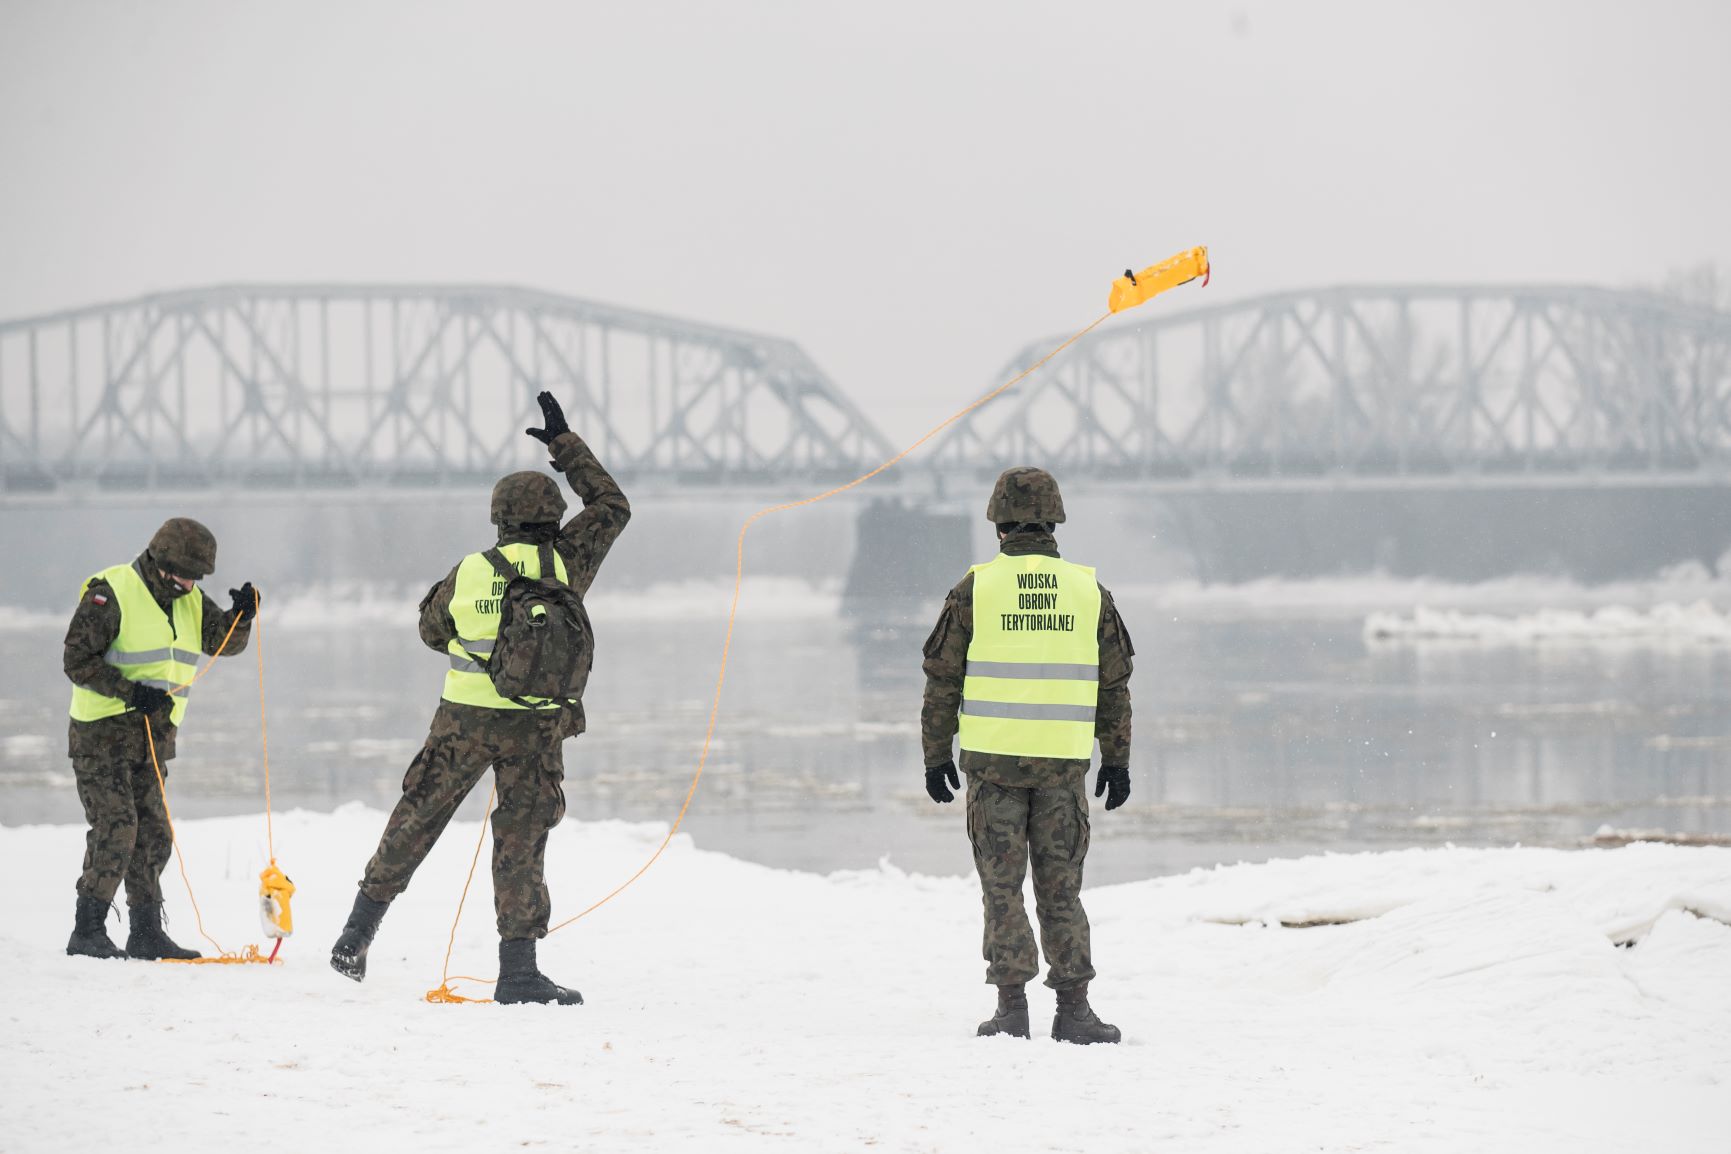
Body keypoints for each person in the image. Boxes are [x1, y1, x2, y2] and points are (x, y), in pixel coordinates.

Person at [329, 391, 630, 1005]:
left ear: (499, 518)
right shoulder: (569, 560)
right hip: (537, 726)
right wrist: (565, 448)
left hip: (463, 722)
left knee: (416, 820)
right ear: (550, 516)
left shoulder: (469, 570)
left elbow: (430, 632)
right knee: (521, 838)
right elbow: (612, 506)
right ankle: (518, 972)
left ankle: (355, 936)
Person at [920, 467, 1134, 1043]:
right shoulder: (1088, 591)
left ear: (997, 523)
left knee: (1002, 887)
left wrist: (935, 753)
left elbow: (943, 679)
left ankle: (1011, 1009)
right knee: (1061, 889)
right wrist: (1117, 759)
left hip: (993, 772)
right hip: (1063, 771)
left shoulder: (975, 589)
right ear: (1056, 519)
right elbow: (1113, 686)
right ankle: (1075, 1011)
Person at [63, 517, 258, 960]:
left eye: (197, 577)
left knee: (153, 833)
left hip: (153, 739)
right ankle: (87, 931)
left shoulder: (188, 597)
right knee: (117, 828)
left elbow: (222, 642)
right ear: (157, 561)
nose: (189, 584)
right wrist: (131, 692)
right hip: (100, 738)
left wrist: (241, 617)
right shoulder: (111, 592)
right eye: (182, 574)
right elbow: (76, 660)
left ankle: (146, 933)